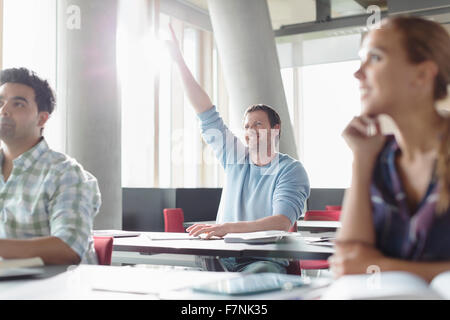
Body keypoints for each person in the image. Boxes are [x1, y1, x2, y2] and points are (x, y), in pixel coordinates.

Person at [166, 25, 310, 273]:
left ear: (275, 129)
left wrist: (226, 227)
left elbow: (281, 223)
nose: (250, 130)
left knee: (252, 280)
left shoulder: (290, 170)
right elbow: (206, 113)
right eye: (246, 125)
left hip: (262, 261)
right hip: (219, 257)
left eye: (258, 124)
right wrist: (179, 61)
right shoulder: (236, 158)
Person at [329, 16, 450, 282]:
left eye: (375, 58)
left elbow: (362, 266)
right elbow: (348, 260)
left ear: (421, 75)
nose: (358, 73)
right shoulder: (377, 157)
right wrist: (360, 159)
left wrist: (381, 267)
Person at [0, 68, 101, 265]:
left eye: (18, 104)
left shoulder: (66, 173)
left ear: (42, 118)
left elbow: (68, 247)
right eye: (0, 102)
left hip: (56, 290)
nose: (4, 110)